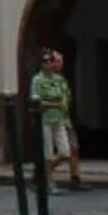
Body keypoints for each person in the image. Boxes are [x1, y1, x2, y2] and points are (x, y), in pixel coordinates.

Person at [30, 48, 80, 189]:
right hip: (45, 120)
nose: (49, 64)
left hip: (59, 119)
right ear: (41, 64)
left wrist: (58, 104)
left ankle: (44, 174)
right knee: (48, 153)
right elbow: (36, 102)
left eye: (50, 60)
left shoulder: (59, 79)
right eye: (45, 61)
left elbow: (65, 98)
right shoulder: (37, 80)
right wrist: (53, 103)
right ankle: (49, 182)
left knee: (65, 152)